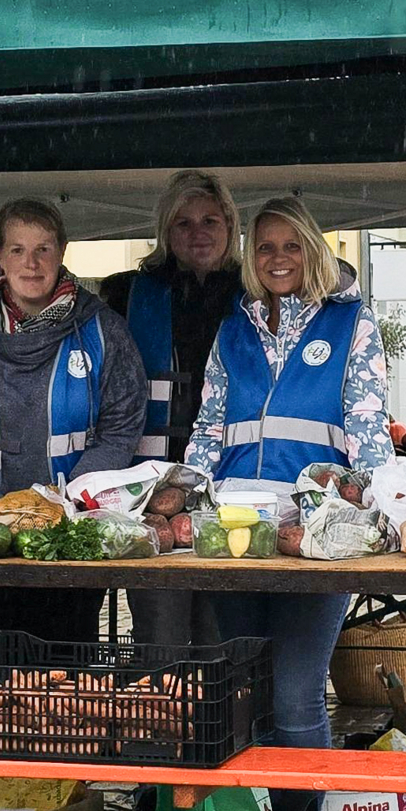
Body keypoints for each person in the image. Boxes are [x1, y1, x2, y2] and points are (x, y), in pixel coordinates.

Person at [184, 196, 393, 752]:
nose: (278, 259)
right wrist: (186, 500)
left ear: (313, 249)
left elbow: (368, 427)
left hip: (314, 536)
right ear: (252, 257)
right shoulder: (233, 329)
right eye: (266, 247)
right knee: (244, 691)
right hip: (235, 532)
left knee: (297, 694)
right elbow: (208, 427)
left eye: (291, 245)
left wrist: (372, 515)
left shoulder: (352, 323)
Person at [0, 197, 146, 646]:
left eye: (43, 249)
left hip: (70, 539)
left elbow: (122, 425)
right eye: (17, 250)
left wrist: (64, 507)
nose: (31, 263)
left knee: (63, 688)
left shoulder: (104, 330)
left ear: (63, 251)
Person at [100, 170, 242, 650]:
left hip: (232, 477)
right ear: (165, 230)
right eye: (182, 223)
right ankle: (162, 721)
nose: (197, 232)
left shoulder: (255, 292)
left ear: (229, 225)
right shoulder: (126, 294)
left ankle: (227, 725)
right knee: (159, 632)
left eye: (209, 220)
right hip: (150, 480)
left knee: (223, 632)